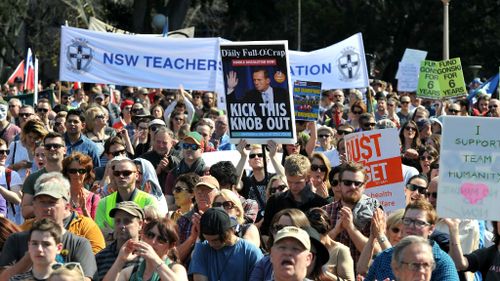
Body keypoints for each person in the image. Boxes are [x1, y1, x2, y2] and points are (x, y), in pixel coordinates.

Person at [0, 172, 97, 281]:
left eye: (52, 202)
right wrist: (30, 257)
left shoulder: (79, 244)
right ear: (34, 206)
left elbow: (87, 279)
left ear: (66, 207)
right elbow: (3, 278)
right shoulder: (16, 240)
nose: (46, 208)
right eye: (42, 202)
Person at [365, 200, 459, 281]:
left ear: (431, 229)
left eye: (419, 223)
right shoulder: (384, 257)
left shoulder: (443, 262)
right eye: (407, 221)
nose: (411, 226)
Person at [322, 161, 382, 266]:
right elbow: (317, 249)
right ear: (339, 185)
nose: (353, 187)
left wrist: (351, 228)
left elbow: (378, 252)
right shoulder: (325, 212)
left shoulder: (375, 212)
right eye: (347, 183)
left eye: (357, 183)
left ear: (364, 186)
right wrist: (335, 231)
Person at [261, 154, 328, 237]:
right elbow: (264, 232)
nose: (293, 186)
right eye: (289, 182)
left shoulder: (320, 204)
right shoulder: (275, 201)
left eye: (298, 182)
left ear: (307, 177)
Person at [189, 208, 263, 281]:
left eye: (215, 240)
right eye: (207, 240)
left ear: (229, 232)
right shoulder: (202, 248)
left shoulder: (251, 252)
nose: (211, 244)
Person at [103, 217, 188, 281]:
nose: (153, 241)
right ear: (143, 236)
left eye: (161, 239)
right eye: (150, 235)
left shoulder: (176, 269)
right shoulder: (132, 272)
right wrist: (120, 260)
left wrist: (155, 259)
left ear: (171, 245)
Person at [95, 157, 158, 235]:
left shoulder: (149, 200)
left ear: (137, 175)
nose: (121, 176)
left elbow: (151, 233)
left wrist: (112, 234)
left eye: (126, 173)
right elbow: (101, 233)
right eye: (117, 173)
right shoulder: (103, 202)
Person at [21, 132, 66, 219]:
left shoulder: (74, 174)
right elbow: (25, 211)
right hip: (42, 228)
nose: (52, 149)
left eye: (56, 146)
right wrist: (50, 208)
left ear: (64, 150)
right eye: (48, 147)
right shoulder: (32, 178)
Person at [95, 201, 144, 280]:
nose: (121, 226)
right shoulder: (101, 257)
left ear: (140, 224)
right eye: (117, 221)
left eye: (127, 221)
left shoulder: (148, 255)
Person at [306, 207, 355, 281]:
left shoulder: (340, 251)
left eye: (317, 235)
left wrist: (325, 274)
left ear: (325, 230)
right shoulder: (305, 249)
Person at [62, 152, 100, 219]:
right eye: (72, 171)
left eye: (81, 171)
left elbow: (95, 228)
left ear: (87, 174)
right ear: (67, 173)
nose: (77, 174)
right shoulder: (59, 196)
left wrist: (84, 210)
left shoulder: (94, 199)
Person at [0, 138, 23, 224]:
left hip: (8, 224)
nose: (5, 155)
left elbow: (18, 200)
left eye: (7, 152)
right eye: (1, 152)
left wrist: (1, 189)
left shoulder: (11, 174)